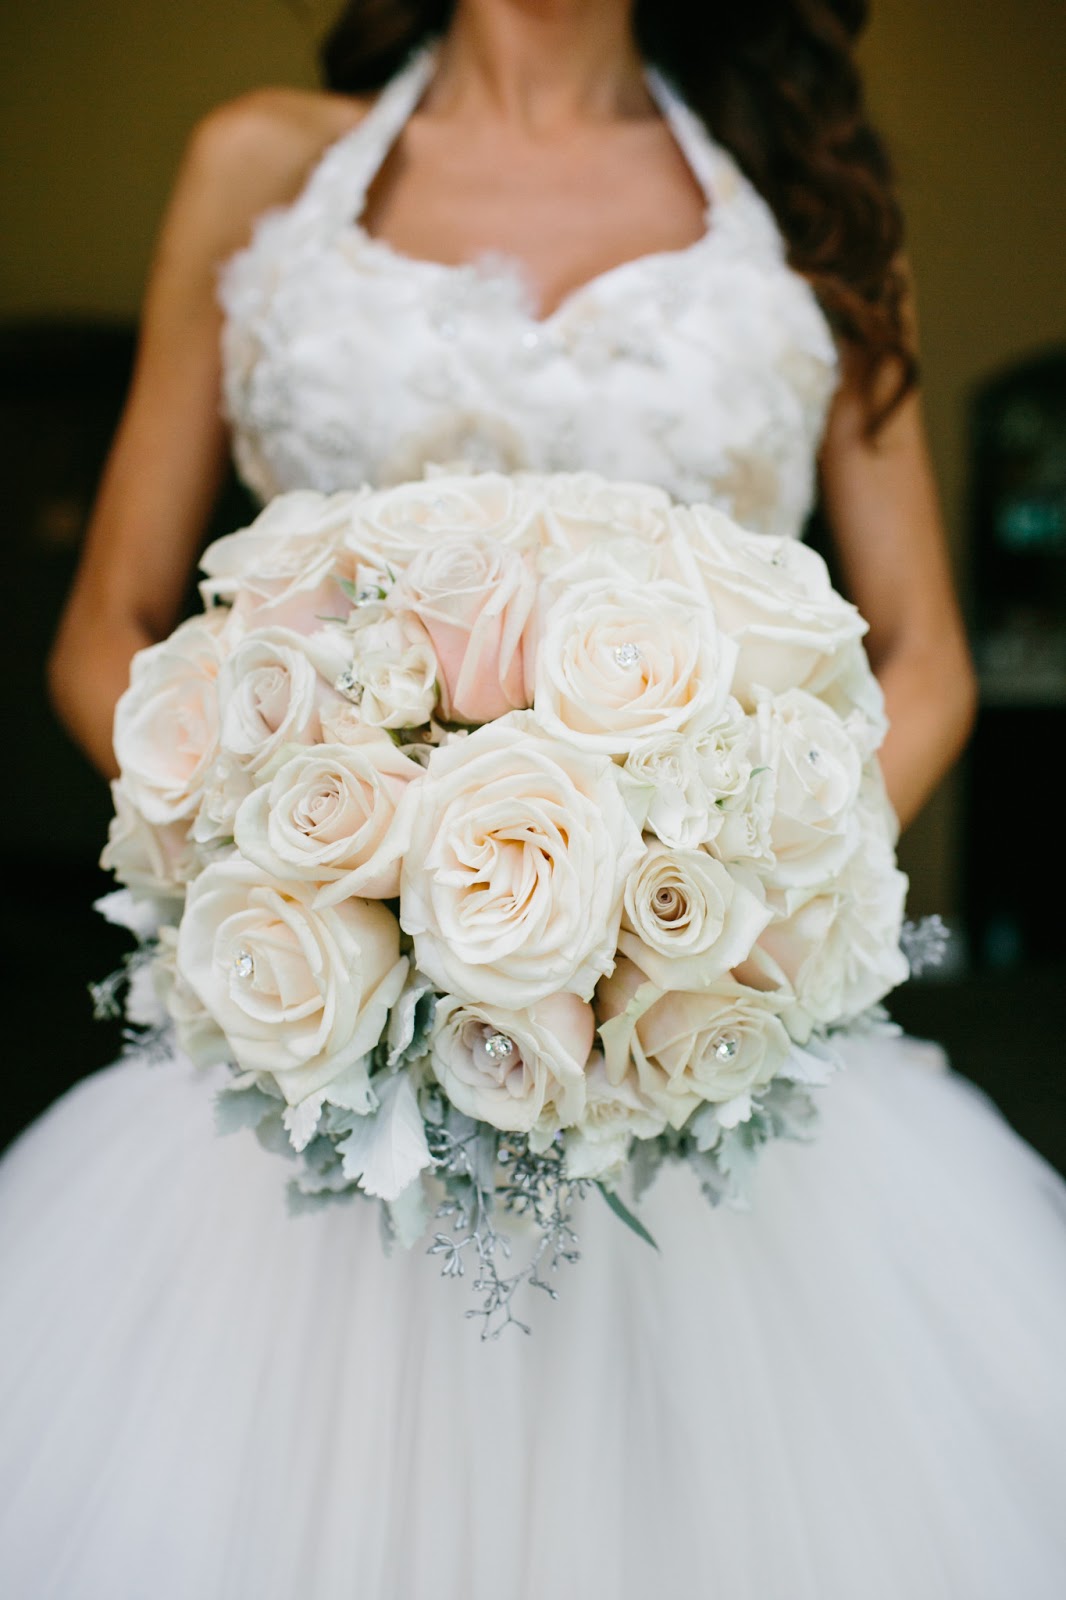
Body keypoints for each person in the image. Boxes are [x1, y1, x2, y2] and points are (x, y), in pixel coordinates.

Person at [2, 1, 1064, 1594]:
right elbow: (107, 633)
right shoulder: (259, 168)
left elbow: (924, 655)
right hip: (317, 1040)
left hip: (697, 1017)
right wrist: (314, 864)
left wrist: (728, 912)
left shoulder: (807, 183)